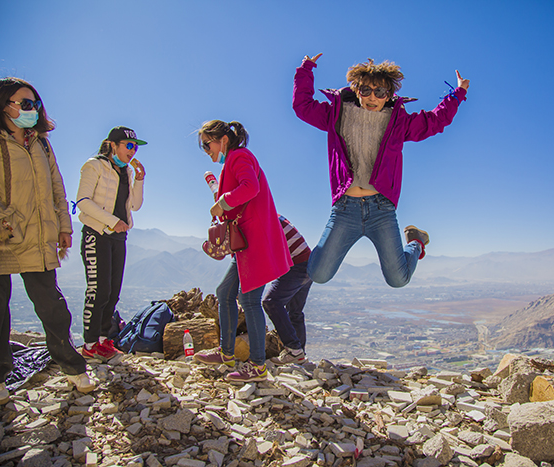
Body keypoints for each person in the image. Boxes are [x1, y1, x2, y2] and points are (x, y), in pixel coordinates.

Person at [293, 54, 469, 288]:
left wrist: (457, 94)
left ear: (389, 95)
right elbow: (303, 106)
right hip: (345, 210)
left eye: (380, 92)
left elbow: (435, 121)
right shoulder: (336, 113)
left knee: (398, 279)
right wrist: (306, 69)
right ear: (356, 90)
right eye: (366, 90)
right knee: (319, 274)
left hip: (381, 210)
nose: (372, 97)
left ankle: (416, 242)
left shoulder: (399, 122)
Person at [0, 78, 94, 404]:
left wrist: (64, 227)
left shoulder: (41, 143)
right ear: (4, 105)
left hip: (39, 238)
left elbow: (57, 187)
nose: (33, 110)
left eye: (36, 104)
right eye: (26, 104)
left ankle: (72, 367)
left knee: (53, 307)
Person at [194, 120, 292, 382]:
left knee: (248, 300)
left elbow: (250, 188)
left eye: (207, 145)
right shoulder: (233, 160)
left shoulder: (239, 156)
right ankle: (227, 353)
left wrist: (222, 203)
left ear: (223, 140)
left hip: (255, 242)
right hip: (246, 244)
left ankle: (258, 366)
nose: (206, 151)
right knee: (225, 293)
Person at [75, 126, 146, 360]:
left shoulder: (127, 172)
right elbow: (83, 201)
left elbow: (135, 205)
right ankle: (89, 344)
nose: (132, 151)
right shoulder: (94, 165)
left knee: (113, 291)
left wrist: (140, 180)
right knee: (98, 290)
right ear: (113, 145)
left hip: (119, 237)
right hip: (97, 234)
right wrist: (113, 221)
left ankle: (104, 340)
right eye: (128, 145)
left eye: (135, 147)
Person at [263, 215, 313, 365]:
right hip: (308, 264)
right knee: (295, 312)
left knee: (271, 302)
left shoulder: (266, 218)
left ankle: (294, 350)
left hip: (297, 264)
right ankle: (299, 355)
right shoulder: (274, 216)